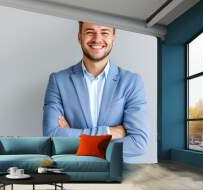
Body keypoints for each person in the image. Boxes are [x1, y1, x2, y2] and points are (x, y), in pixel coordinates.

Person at [42, 21, 149, 162]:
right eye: (89, 32)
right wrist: (109, 132)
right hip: (73, 173)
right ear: (79, 37)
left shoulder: (131, 82)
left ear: (113, 38)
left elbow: (138, 143)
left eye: (104, 32)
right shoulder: (58, 81)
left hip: (115, 177)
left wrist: (70, 139)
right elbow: (50, 137)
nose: (97, 39)